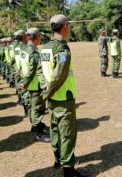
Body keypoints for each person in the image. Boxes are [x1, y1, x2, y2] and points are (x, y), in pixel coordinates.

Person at [41, 14, 90, 177]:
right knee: (67, 133)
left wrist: (45, 91)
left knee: (54, 129)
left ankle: (58, 159)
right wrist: (47, 93)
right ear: (65, 27)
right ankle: (68, 170)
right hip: (63, 97)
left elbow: (42, 72)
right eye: (68, 24)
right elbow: (59, 75)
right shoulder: (62, 49)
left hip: (53, 98)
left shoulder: (46, 46)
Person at [18, 27, 50, 143]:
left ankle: (36, 125)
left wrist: (23, 82)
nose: (40, 39)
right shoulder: (33, 51)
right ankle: (39, 134)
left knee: (33, 107)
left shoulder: (25, 49)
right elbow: (33, 70)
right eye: (40, 37)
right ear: (36, 38)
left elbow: (23, 67)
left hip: (28, 84)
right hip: (34, 84)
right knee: (37, 107)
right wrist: (26, 83)